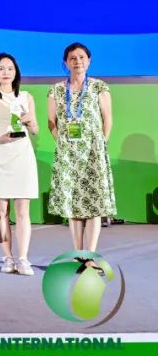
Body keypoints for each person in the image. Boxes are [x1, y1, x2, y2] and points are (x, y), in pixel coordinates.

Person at [47, 42, 116, 261]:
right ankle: (78, 254)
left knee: (94, 204)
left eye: (82, 57)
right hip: (68, 156)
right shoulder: (56, 90)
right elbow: (51, 122)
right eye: (73, 58)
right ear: (66, 62)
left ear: (89, 60)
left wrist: (101, 144)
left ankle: (90, 255)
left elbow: (107, 119)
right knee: (74, 204)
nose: (77, 62)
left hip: (93, 153)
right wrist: (63, 143)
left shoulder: (99, 87)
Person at [0, 53, 40, 277]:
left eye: (10, 68)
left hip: (22, 155)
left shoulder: (26, 97)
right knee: (2, 210)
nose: (6, 72)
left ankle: (23, 258)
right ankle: (7, 257)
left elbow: (36, 130)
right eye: (1, 68)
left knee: (23, 210)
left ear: (16, 72)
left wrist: (30, 121)